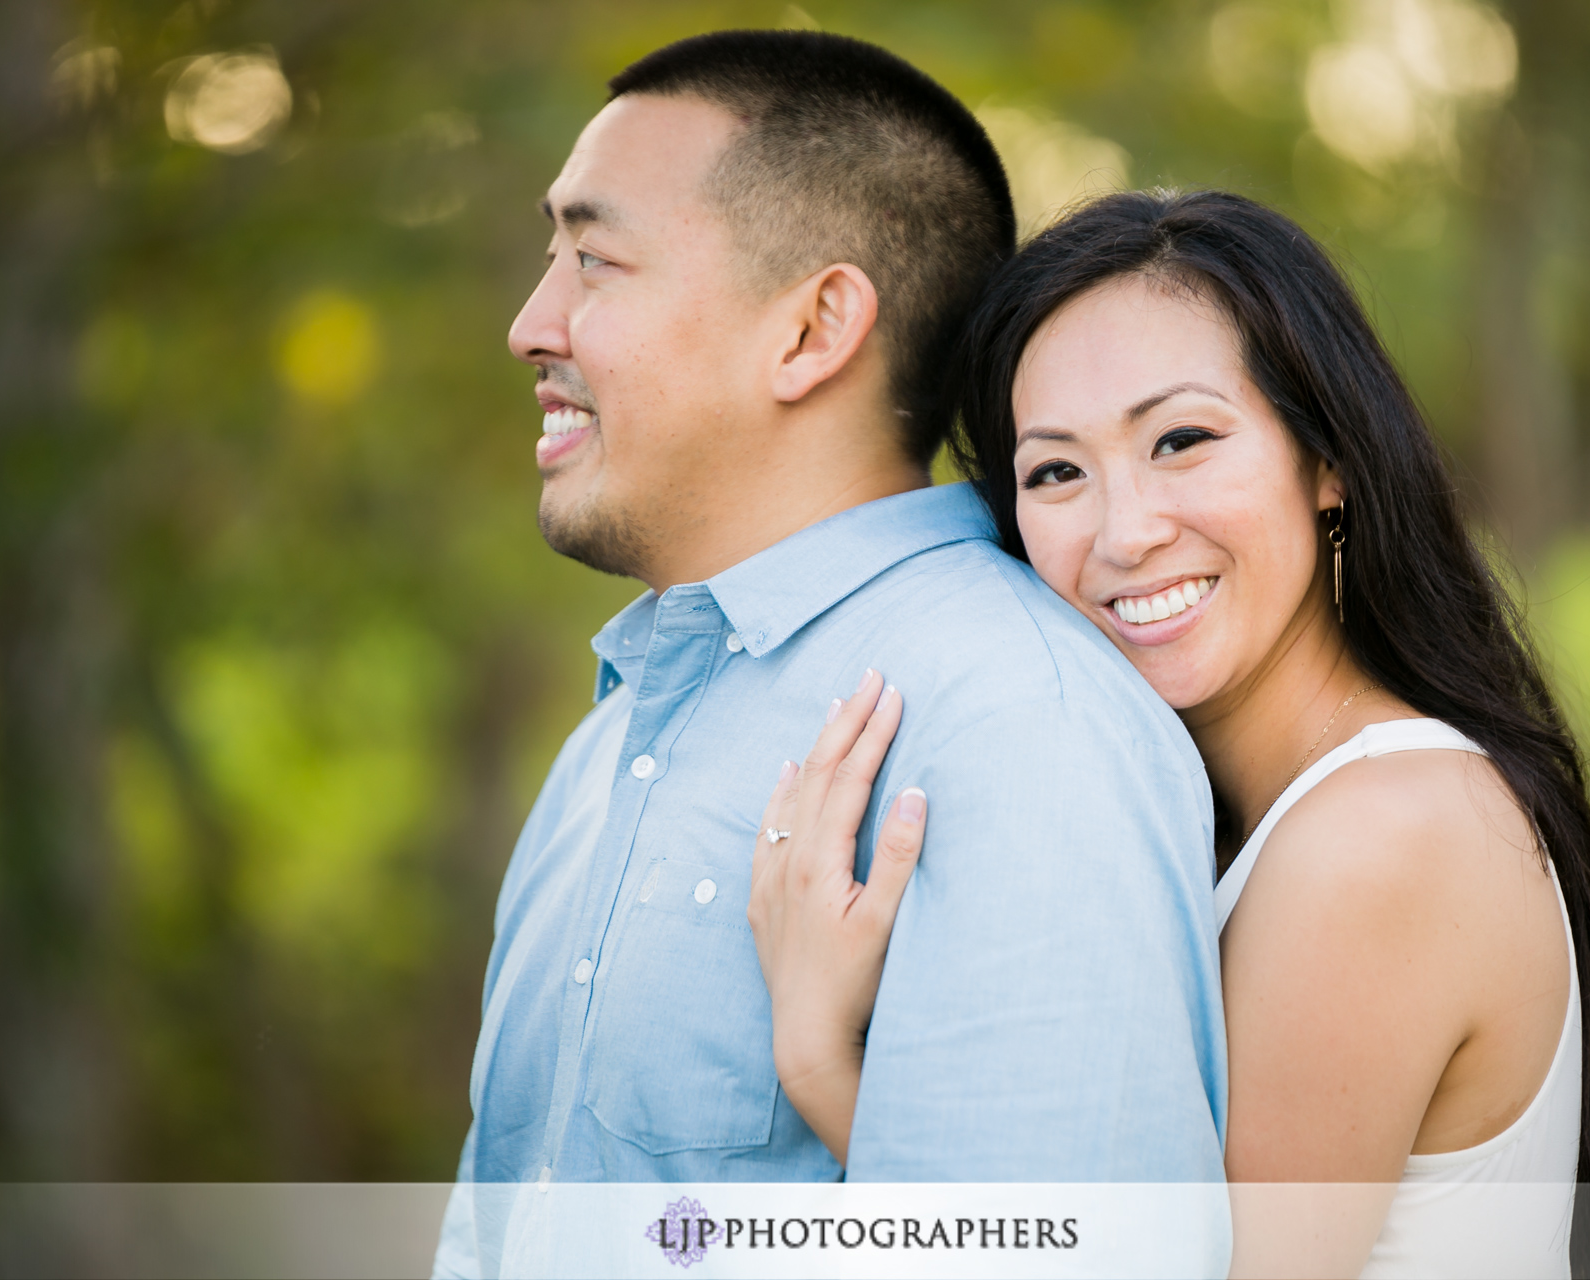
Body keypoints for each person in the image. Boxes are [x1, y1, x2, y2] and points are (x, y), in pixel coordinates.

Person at [748, 189, 1590, 1279]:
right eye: (1056, 471)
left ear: (1328, 460)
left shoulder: (1380, 837)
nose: (1126, 531)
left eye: (1181, 439)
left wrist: (819, 1060)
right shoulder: (1247, 817)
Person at [433, 33, 1231, 1280]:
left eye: (593, 259)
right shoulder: (611, 747)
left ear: (812, 328)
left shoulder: (1016, 724)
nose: (533, 324)